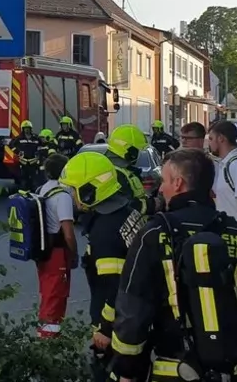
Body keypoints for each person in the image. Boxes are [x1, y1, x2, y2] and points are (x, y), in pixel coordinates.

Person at [110, 149, 237, 382]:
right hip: (236, 372)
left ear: (178, 183)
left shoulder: (153, 235)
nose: (161, 189)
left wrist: (126, 370)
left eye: (164, 181)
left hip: (175, 373)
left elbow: (132, 311)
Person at [59, 150, 144, 369]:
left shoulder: (104, 233)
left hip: (117, 325)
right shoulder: (124, 211)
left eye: (73, 190)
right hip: (136, 315)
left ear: (89, 192)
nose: (71, 196)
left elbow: (114, 287)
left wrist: (105, 330)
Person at [35, 152, 77, 338]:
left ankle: (44, 331)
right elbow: (68, 233)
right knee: (56, 295)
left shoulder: (42, 190)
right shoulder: (63, 196)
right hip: (58, 252)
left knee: (47, 292)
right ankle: (49, 339)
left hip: (44, 251)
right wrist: (74, 254)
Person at [106, 124, 150, 215]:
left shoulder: (123, 171)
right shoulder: (116, 174)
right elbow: (127, 206)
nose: (138, 155)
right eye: (137, 150)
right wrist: (152, 204)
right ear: (128, 150)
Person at [12, 120, 44, 192]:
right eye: (25, 128)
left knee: (35, 180)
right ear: (22, 129)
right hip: (23, 162)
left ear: (31, 129)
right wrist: (17, 152)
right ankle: (23, 194)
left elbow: (41, 146)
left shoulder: (36, 138)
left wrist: (39, 153)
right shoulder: (19, 138)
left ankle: (34, 194)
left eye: (28, 128)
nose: (27, 130)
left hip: (34, 162)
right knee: (23, 180)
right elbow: (11, 145)